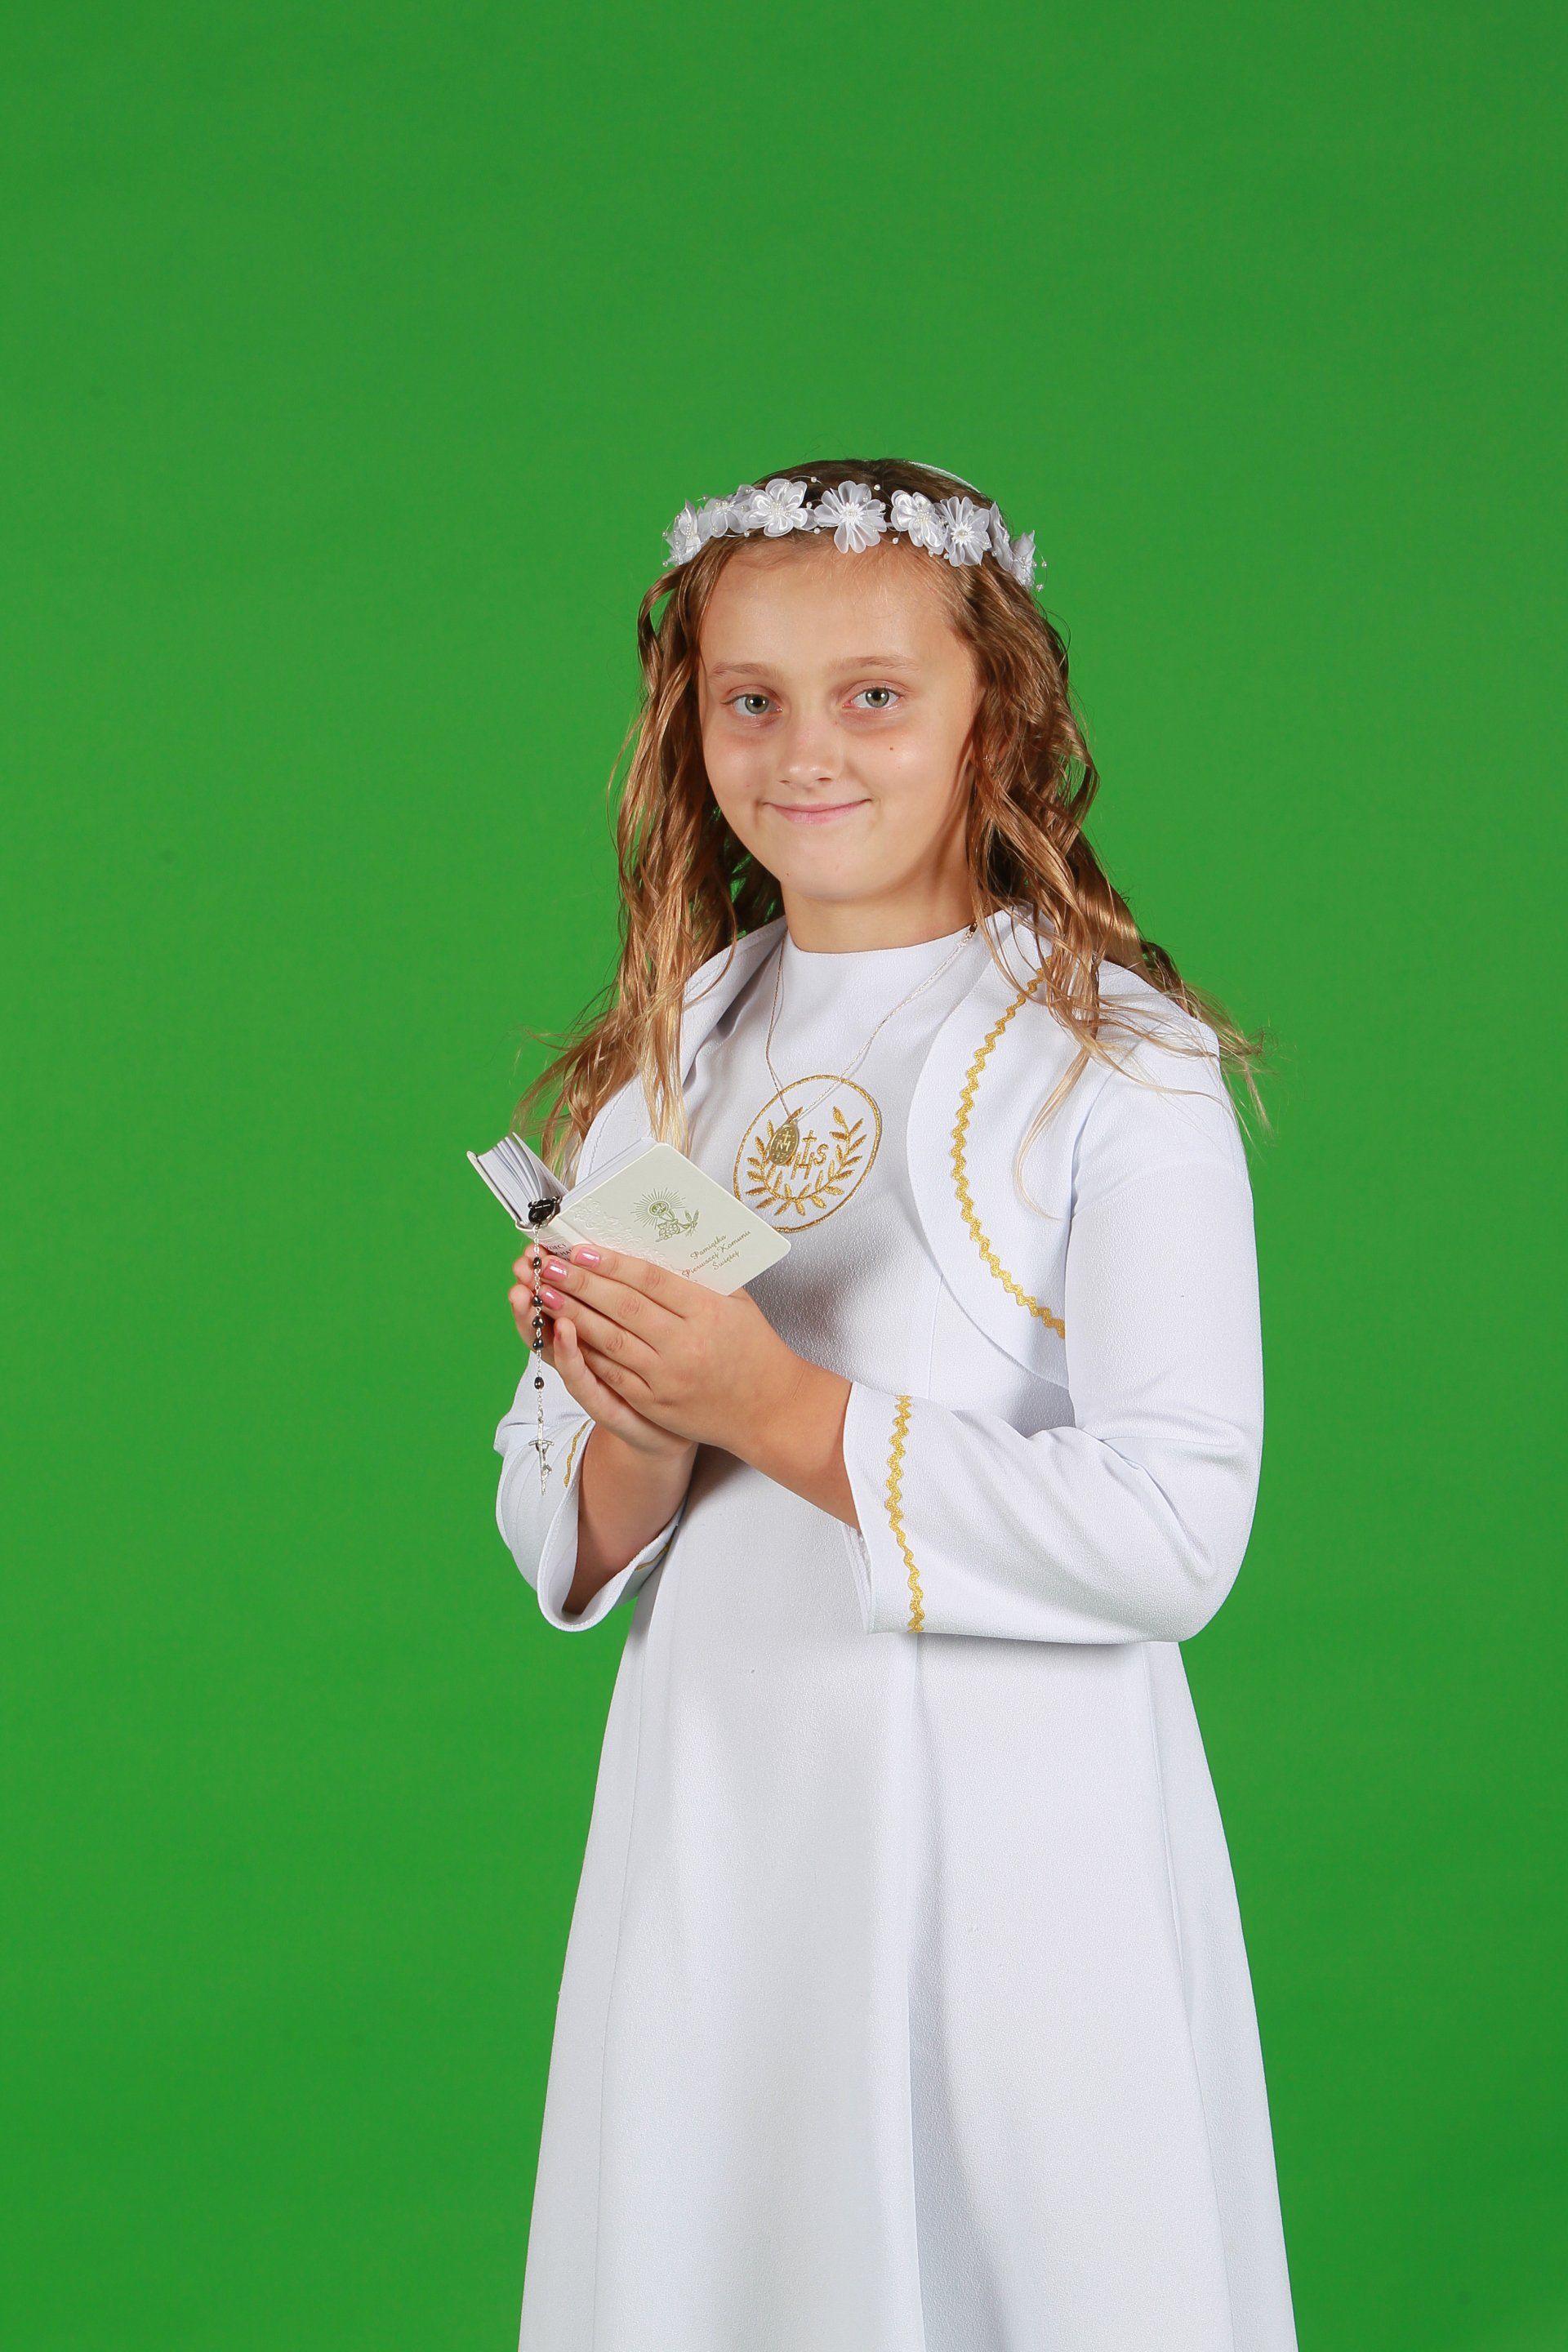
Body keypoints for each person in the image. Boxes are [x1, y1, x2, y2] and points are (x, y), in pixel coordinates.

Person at [491, 457, 1298, 2350]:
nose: (805, 752)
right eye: (749, 699)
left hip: (1015, 1837)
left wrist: (771, 1400)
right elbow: (557, 1523)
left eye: (872, 694)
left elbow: (1177, 1533)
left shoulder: (1115, 1064)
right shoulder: (671, 1065)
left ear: (990, 710)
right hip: (719, 1820)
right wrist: (637, 1413)